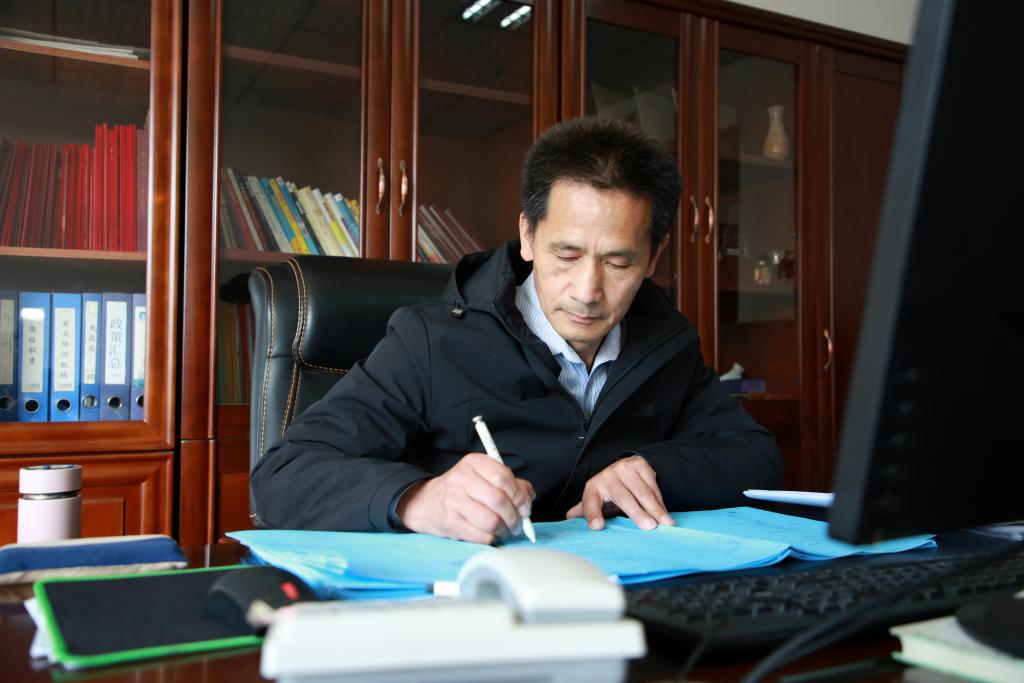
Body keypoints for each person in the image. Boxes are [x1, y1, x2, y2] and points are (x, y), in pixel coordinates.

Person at [250, 117, 783, 543]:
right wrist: (419, 499)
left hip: (619, 599)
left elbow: (756, 457)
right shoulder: (432, 341)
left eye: (618, 263)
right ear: (527, 235)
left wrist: (651, 467)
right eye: (566, 255)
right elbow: (283, 475)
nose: (587, 291)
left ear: (653, 257)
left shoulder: (665, 343)